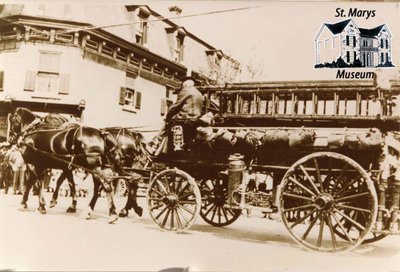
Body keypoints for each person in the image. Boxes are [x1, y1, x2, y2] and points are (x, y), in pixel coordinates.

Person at [147, 77, 204, 154]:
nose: (182, 86)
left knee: (166, 124)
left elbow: (175, 107)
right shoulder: (199, 94)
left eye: (182, 85)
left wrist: (167, 117)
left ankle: (154, 145)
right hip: (195, 119)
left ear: (185, 84)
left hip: (185, 118)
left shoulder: (186, 91)